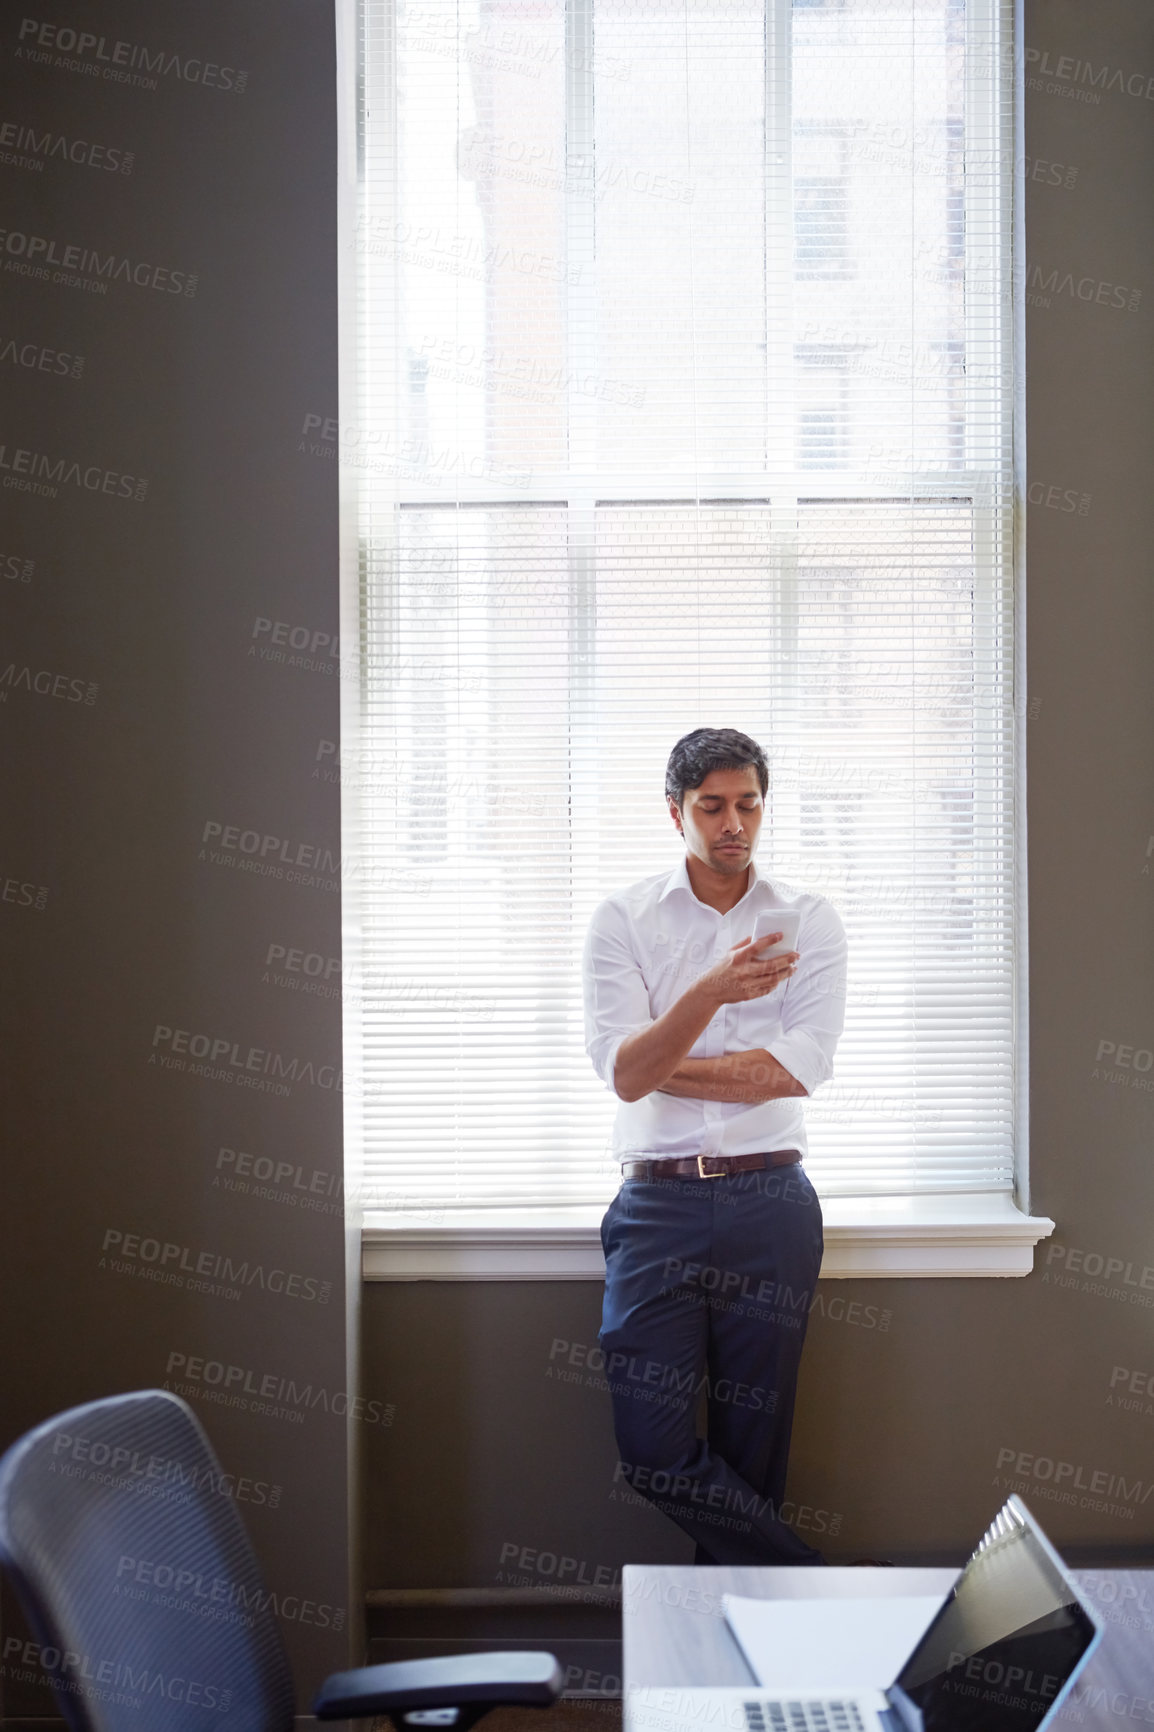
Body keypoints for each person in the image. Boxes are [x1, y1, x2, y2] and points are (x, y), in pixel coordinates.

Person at [582, 726, 847, 1565]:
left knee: (752, 1454)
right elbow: (624, 1073)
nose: (734, 823)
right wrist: (709, 993)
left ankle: (733, 1674)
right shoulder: (623, 920)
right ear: (676, 814)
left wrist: (666, 1063)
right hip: (656, 1206)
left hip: (770, 1205)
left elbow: (796, 1071)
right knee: (654, 1451)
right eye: (713, 807)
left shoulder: (808, 919)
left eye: (749, 804)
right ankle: (822, 1591)